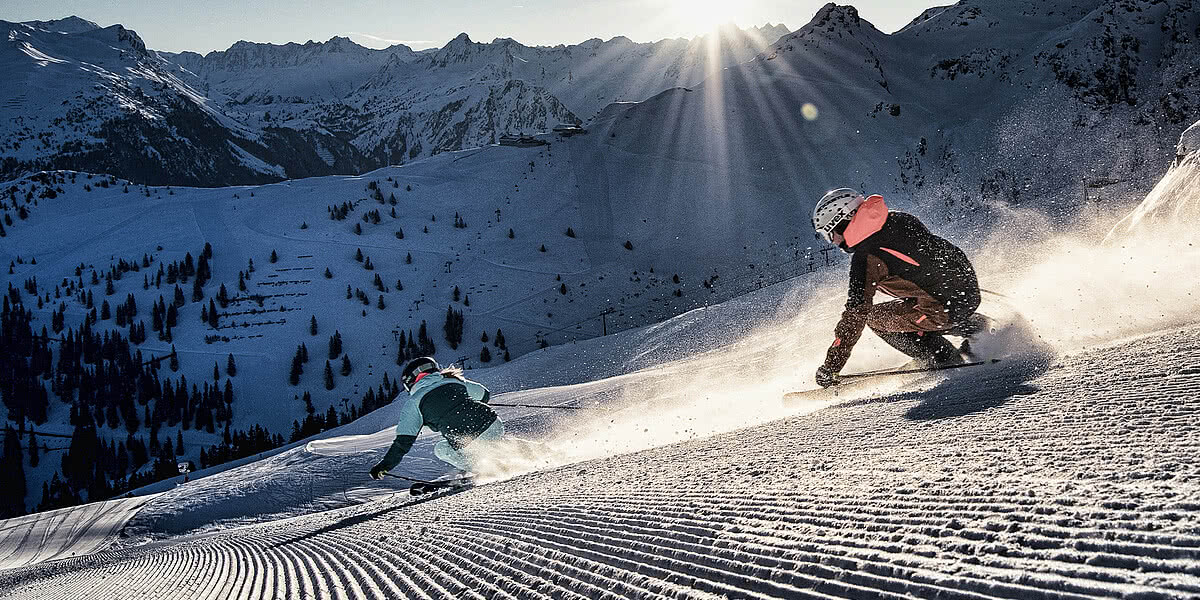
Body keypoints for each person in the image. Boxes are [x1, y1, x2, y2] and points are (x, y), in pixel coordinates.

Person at [811, 188, 987, 388]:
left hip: (945, 307)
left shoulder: (866, 257)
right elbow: (928, 261)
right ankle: (970, 325)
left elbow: (855, 315)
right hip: (966, 289)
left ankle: (942, 356)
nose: (832, 242)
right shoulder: (898, 218)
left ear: (842, 221)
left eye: (829, 234)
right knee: (911, 306)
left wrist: (832, 366)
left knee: (875, 318)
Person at [369, 357, 504, 479]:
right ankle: (516, 453)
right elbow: (484, 394)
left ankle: (488, 469)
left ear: (410, 381)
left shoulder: (414, 403)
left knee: (441, 449)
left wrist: (384, 467)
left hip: (468, 440)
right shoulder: (454, 381)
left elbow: (403, 443)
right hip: (494, 424)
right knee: (490, 445)